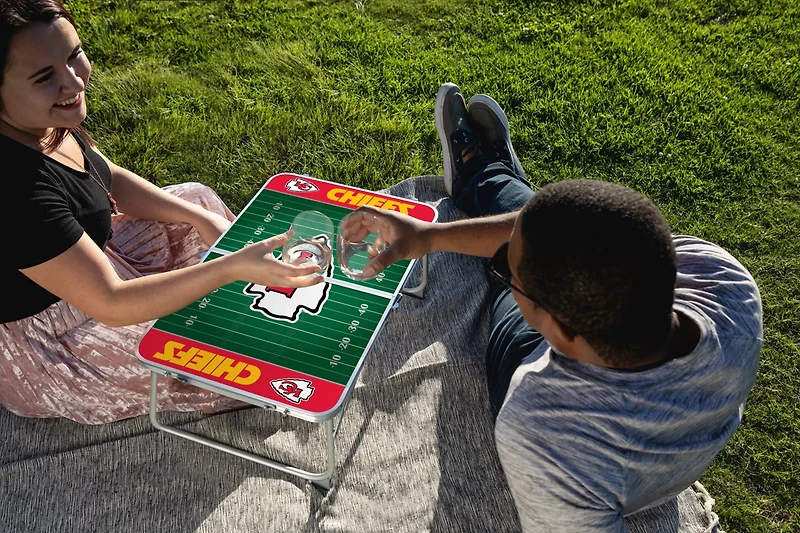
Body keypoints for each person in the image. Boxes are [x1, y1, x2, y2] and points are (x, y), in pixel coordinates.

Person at [351, 83, 762, 531]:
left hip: (530, 363)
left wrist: (499, 258)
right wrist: (427, 237)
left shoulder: (544, 428)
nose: (503, 265)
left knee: (529, 256)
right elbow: (570, 235)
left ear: (560, 330)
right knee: (557, 231)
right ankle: (490, 178)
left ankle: (485, 176)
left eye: (512, 274)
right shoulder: (724, 279)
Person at [0, 0, 324, 424]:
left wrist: (201, 219)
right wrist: (228, 269)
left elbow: (106, 177)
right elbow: (111, 303)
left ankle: (240, 286)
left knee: (194, 200)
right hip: (55, 341)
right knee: (223, 356)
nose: (73, 80)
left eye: (74, 54)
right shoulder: (14, 188)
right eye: (45, 77)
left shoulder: (41, 121)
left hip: (96, 264)